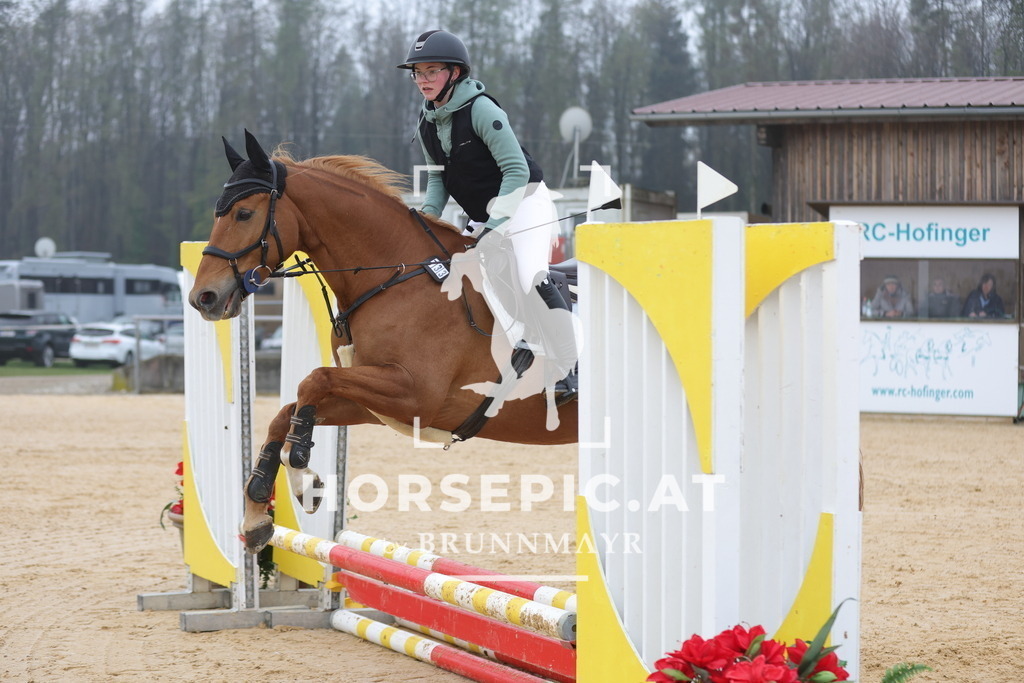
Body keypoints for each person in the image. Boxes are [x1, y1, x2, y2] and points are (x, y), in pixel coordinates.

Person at [399, 29, 577, 405]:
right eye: (417, 73)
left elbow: (516, 171)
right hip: (486, 213)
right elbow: (438, 181)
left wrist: (495, 226)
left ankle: (568, 367)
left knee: (529, 275)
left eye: (431, 71)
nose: (423, 80)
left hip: (525, 201)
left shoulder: (481, 110)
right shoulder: (427, 121)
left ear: (455, 73)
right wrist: (425, 222)